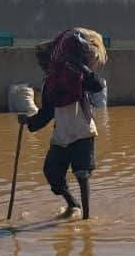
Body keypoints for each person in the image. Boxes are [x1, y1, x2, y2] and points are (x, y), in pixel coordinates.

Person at [19, 28, 107, 219]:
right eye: (41, 63)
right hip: (61, 136)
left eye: (44, 61)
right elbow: (47, 113)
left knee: (82, 174)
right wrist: (29, 122)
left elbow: (98, 86)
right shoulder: (50, 84)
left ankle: (86, 219)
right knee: (52, 174)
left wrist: (80, 66)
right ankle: (72, 204)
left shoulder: (77, 75)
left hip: (83, 131)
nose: (43, 65)